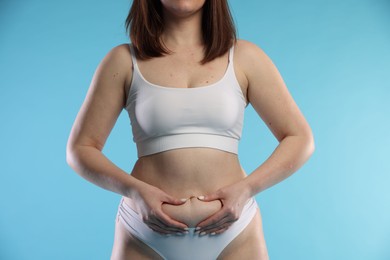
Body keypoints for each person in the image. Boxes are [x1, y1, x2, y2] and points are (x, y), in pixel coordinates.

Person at [66, 0, 315, 259]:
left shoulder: (245, 57)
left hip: (235, 235)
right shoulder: (123, 60)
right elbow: (80, 149)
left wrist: (247, 189)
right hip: (144, 235)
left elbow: (299, 137)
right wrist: (134, 191)